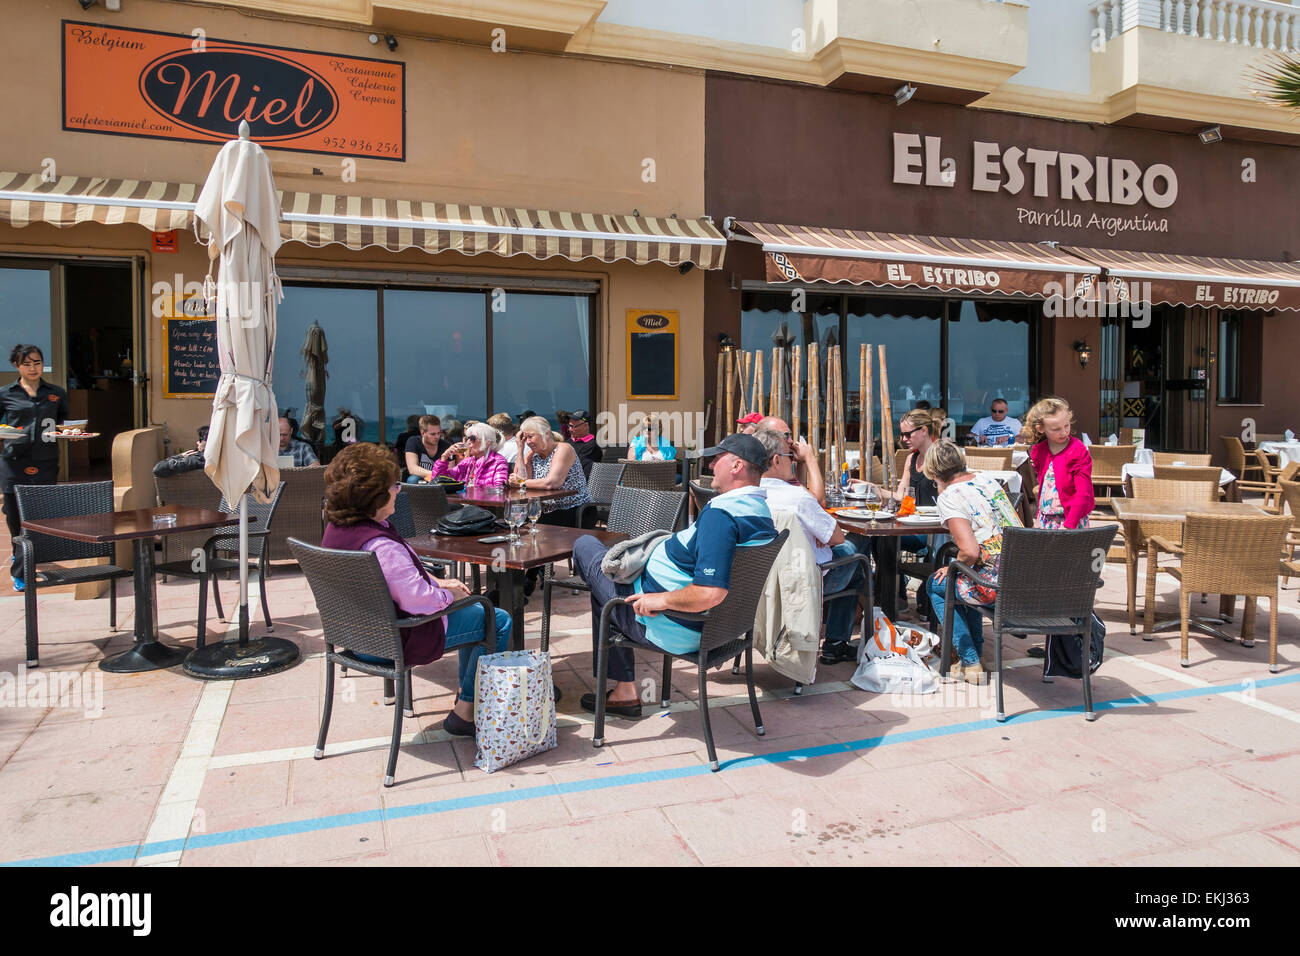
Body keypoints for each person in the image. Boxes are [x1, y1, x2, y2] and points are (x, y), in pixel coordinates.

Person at [573, 433, 777, 718]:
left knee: (586, 548)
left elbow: (710, 592)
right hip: (719, 628)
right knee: (606, 583)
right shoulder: (761, 513)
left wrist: (660, 600)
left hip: (670, 626)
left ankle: (625, 691)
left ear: (737, 466)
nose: (711, 463)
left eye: (718, 458)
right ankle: (624, 689)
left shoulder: (722, 516)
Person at [320, 443, 511, 736]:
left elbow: (394, 583)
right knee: (493, 618)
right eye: (394, 485)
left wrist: (438, 582)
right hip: (395, 640)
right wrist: (450, 595)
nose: (399, 490)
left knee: (474, 611)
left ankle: (465, 694)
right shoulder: (381, 545)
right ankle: (466, 711)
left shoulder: (337, 530)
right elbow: (418, 602)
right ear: (375, 496)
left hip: (354, 637)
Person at [753, 426, 868, 664]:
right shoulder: (798, 499)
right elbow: (837, 538)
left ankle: (836, 643)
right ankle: (839, 643)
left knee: (853, 564)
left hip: (761, 582)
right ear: (776, 460)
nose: (793, 462)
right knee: (857, 557)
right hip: (805, 584)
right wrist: (811, 459)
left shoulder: (749, 494)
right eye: (789, 458)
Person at [923, 440, 1023, 684]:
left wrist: (952, 566)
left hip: (995, 584)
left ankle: (970, 661)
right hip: (1021, 573)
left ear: (935, 474)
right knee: (962, 578)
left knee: (937, 584)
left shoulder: (950, 496)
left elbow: (969, 551)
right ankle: (976, 654)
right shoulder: (988, 481)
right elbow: (1018, 526)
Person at [1, 345, 68, 591]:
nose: (32, 368)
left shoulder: (56, 393)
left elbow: (63, 424)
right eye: (27, 363)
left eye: (37, 363)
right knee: (15, 518)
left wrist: (70, 432)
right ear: (17, 366)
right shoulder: (6, 393)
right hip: (13, 463)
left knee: (38, 519)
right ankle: (20, 565)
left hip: (46, 462)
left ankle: (26, 567)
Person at [1021, 397, 1093, 531]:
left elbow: (1084, 492)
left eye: (1067, 425)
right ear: (1041, 429)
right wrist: (1038, 516)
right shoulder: (1039, 451)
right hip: (1046, 518)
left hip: (1071, 519)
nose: (1064, 432)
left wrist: (1070, 524)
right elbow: (1043, 485)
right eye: (1056, 429)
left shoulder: (1077, 450)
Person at [511, 415, 592, 526]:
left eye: (530, 437)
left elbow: (552, 483)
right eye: (525, 438)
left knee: (525, 528)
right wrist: (520, 449)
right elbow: (519, 480)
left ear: (546, 434)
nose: (528, 442)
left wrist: (521, 483)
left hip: (574, 510)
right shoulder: (532, 455)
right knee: (516, 525)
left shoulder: (564, 449)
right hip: (545, 511)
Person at [757, 415, 825, 506]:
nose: (791, 440)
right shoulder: (774, 472)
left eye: (790, 435)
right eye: (785, 436)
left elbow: (801, 492)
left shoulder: (759, 467)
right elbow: (818, 503)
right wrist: (810, 458)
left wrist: (801, 463)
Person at [430, 421, 509, 487]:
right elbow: (438, 482)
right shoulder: (468, 462)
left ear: (487, 443)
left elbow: (499, 490)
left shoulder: (498, 462)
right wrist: (444, 457)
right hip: (465, 503)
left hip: (484, 505)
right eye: (468, 438)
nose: (468, 442)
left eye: (473, 439)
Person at [403, 414, 449, 483]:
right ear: (422, 433)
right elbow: (412, 469)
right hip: (421, 478)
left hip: (439, 481)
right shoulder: (413, 442)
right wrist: (434, 474)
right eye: (433, 434)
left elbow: (449, 471)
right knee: (412, 479)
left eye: (439, 433)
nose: (437, 436)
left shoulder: (446, 446)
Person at [566, 409, 603, 476]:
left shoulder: (591, 446)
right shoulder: (568, 442)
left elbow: (579, 469)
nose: (570, 429)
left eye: (574, 426)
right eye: (569, 426)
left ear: (585, 426)